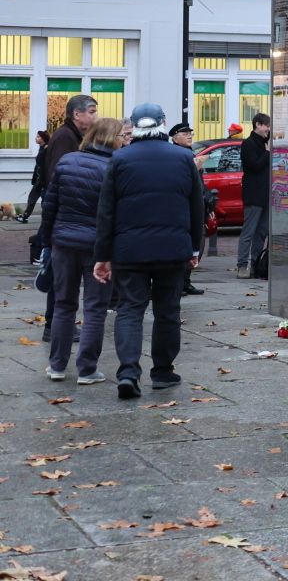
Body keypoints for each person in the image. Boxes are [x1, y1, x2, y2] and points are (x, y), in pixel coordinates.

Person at [92, 104, 204, 401]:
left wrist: (102, 255)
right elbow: (197, 207)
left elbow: (106, 212)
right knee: (168, 311)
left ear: (134, 126)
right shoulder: (184, 158)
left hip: (129, 251)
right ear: (163, 124)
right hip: (172, 250)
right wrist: (195, 247)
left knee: (129, 310)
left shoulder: (120, 159)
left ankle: (128, 372)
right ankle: (163, 372)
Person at [39, 117, 122, 384]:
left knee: (63, 304)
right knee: (96, 308)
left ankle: (57, 366)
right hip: (97, 248)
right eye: (122, 136)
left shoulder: (67, 161)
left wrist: (47, 240)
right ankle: (87, 369)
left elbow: (50, 205)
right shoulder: (115, 168)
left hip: (63, 243)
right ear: (112, 138)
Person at [40, 94, 96, 343]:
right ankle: (53, 325)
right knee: (60, 281)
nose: (95, 116)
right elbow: (57, 178)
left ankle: (57, 325)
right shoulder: (65, 137)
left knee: (63, 279)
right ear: (77, 114)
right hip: (66, 219)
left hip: (67, 220)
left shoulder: (73, 136)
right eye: (92, 111)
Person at [170, 122, 207, 296]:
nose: (190, 136)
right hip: (184, 207)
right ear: (175, 137)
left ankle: (186, 282)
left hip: (197, 204)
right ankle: (179, 283)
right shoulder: (175, 154)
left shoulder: (189, 153)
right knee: (186, 245)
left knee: (196, 243)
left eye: (190, 133)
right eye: (185, 134)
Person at [236, 113, 271, 279]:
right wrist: (267, 153)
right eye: (266, 126)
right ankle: (242, 265)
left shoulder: (265, 143)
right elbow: (254, 166)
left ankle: (256, 264)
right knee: (248, 232)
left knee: (262, 232)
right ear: (258, 124)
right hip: (253, 194)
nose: (268, 129)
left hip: (266, 195)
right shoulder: (248, 144)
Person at [16, 129, 50, 223]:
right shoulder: (42, 148)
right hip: (40, 178)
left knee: (34, 197)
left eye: (38, 137)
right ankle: (26, 216)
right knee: (40, 198)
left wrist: (42, 179)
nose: (36, 138)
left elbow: (45, 165)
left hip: (43, 179)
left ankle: (25, 216)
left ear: (43, 139)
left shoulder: (46, 149)